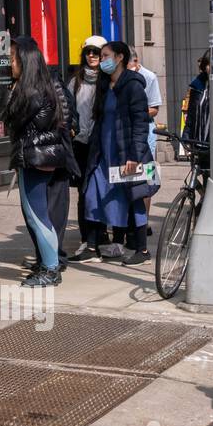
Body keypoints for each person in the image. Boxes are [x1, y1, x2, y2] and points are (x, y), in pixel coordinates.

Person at [4, 36, 79, 287]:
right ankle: (49, 265)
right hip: (38, 158)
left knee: (37, 216)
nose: (9, 63)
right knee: (38, 214)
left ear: (25, 61)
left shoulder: (31, 92)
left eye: (13, 58)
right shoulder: (41, 87)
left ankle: (50, 268)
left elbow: (14, 122)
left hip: (35, 159)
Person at [82, 41, 155, 265]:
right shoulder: (105, 86)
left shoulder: (133, 86)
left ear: (120, 57)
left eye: (106, 56)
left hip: (126, 154)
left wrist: (135, 155)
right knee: (92, 194)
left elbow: (141, 123)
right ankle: (92, 247)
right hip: (103, 154)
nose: (102, 60)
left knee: (134, 198)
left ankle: (142, 251)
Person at [65, 36, 106, 259]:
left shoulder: (109, 80)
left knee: (100, 192)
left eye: (96, 52)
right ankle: (86, 241)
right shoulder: (76, 80)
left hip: (102, 145)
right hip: (80, 143)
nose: (92, 56)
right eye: (88, 51)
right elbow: (69, 108)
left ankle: (101, 238)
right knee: (84, 193)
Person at [128, 48, 162, 237]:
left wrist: (134, 112)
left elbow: (155, 108)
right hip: (127, 132)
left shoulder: (149, 77)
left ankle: (144, 221)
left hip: (146, 131)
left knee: (148, 176)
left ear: (136, 61)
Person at [183, 50, 212, 146]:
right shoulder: (197, 85)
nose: (211, 68)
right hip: (198, 142)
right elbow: (191, 114)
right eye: (208, 64)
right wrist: (186, 138)